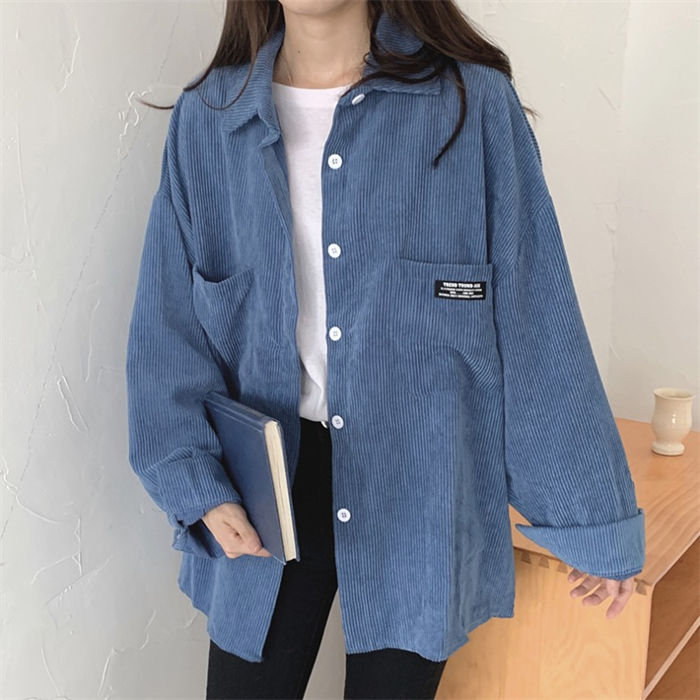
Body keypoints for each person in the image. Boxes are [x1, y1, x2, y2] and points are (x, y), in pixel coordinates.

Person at [125, 1, 646, 698]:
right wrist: (197, 485)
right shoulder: (209, 119)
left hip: (423, 482)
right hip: (266, 487)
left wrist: (593, 518)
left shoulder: (470, 107)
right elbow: (169, 332)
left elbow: (534, 321)